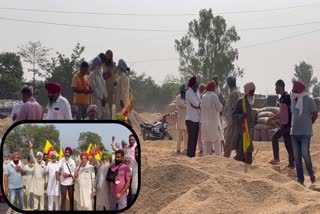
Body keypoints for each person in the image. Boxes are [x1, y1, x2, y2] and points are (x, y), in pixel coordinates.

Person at [290, 80, 318, 185]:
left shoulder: (309, 100)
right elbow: (293, 114)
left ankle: (311, 175)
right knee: (297, 157)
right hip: (294, 133)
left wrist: (308, 125)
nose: (293, 90)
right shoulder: (292, 99)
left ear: (299, 90)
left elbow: (315, 115)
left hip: (305, 133)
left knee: (305, 154)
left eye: (295, 89)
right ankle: (300, 179)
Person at [267, 80, 295, 169]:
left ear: (281, 86)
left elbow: (292, 110)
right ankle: (292, 164)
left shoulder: (287, 97)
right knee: (288, 144)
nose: (275, 89)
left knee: (274, 138)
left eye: (276, 87)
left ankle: (276, 158)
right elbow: (281, 113)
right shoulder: (282, 98)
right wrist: (272, 118)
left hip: (287, 125)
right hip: (284, 124)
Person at [233, 82, 256, 164]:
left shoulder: (250, 101)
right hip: (241, 132)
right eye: (252, 91)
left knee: (249, 151)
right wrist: (241, 116)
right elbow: (234, 114)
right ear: (248, 91)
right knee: (240, 153)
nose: (253, 93)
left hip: (248, 132)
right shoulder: (240, 101)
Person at [200, 81, 223, 156]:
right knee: (216, 142)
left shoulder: (203, 96)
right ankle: (217, 159)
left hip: (205, 124)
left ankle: (206, 160)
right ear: (214, 88)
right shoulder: (214, 96)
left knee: (206, 143)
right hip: (213, 123)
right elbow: (219, 108)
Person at [224, 76, 241, 158]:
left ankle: (226, 156)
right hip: (233, 119)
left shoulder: (234, 93)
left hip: (232, 120)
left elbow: (234, 108)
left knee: (229, 138)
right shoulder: (236, 92)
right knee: (235, 138)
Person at [185, 76, 201, 158]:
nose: (197, 84)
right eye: (196, 83)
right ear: (193, 84)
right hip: (190, 119)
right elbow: (196, 103)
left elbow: (199, 103)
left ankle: (193, 155)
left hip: (197, 119)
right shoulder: (189, 92)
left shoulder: (197, 92)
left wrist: (198, 105)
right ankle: (189, 156)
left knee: (195, 139)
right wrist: (198, 105)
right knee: (191, 139)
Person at [29, 141, 46, 211]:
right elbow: (31, 155)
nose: (39, 157)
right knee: (35, 195)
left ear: (42, 156)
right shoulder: (35, 161)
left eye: (40, 156)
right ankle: (36, 207)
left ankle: (42, 208)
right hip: (35, 182)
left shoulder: (44, 163)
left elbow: (46, 174)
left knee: (42, 196)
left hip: (42, 182)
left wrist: (46, 182)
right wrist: (31, 148)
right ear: (37, 156)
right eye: (38, 156)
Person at [102, 50, 117, 118]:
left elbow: (115, 77)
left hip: (111, 89)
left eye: (109, 55)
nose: (108, 56)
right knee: (104, 107)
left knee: (110, 107)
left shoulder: (114, 65)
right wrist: (108, 72)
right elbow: (104, 76)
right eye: (107, 54)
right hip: (104, 88)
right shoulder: (103, 65)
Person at [175, 84, 188, 154]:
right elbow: (184, 105)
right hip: (180, 118)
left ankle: (186, 148)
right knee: (180, 135)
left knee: (186, 134)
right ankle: (178, 149)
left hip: (186, 118)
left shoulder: (187, 97)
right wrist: (187, 105)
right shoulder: (178, 98)